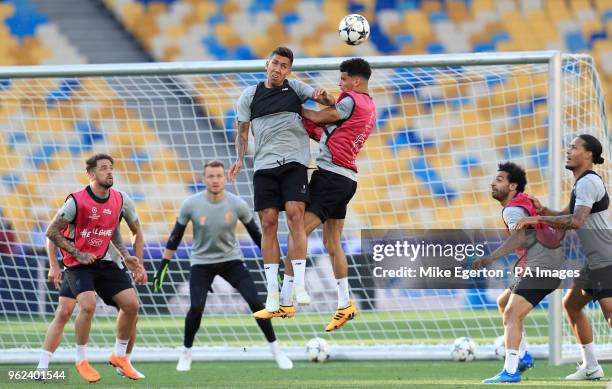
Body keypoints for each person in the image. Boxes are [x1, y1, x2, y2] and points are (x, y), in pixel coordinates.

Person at [255, 58, 376, 332]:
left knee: (298, 232)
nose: (340, 84)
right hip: (347, 179)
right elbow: (327, 131)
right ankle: (345, 305)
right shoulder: (369, 106)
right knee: (333, 243)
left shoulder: (352, 99)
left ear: (356, 81)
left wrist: (290, 105)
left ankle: (285, 301)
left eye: (343, 79)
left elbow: (323, 117)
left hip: (331, 177)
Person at [153, 160, 292, 371]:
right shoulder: (191, 204)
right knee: (196, 307)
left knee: (255, 301)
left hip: (231, 261)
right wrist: (163, 264)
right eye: (211, 176)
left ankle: (276, 349)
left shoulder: (237, 204)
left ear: (225, 178)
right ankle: (186, 352)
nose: (215, 180)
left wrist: (276, 264)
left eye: (219, 176)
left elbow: (257, 236)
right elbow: (175, 236)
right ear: (204, 179)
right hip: (202, 263)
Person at [228, 46, 335, 315]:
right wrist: (239, 158)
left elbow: (327, 102)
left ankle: (298, 284)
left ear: (289, 70)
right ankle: (272, 292)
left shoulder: (295, 88)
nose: (278, 69)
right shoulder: (249, 96)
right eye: (275, 63)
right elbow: (242, 132)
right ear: (267, 64)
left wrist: (325, 97)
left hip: (294, 163)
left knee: (296, 216)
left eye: (284, 65)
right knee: (268, 223)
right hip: (264, 166)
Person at [514, 134, 612, 381]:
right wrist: (542, 210)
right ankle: (591, 367)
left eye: (574, 147)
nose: (568, 151)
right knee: (571, 305)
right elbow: (564, 216)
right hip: (595, 262)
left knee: (610, 314)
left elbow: (576, 222)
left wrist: (535, 219)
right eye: (568, 147)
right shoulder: (581, 184)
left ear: (588, 154)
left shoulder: (588, 182)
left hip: (607, 260)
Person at [45, 153, 145, 382]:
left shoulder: (120, 199)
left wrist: (132, 259)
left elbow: (118, 233)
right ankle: (75, 360)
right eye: (103, 168)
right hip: (78, 263)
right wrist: (58, 263)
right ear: (90, 174)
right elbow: (51, 233)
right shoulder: (77, 201)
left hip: (108, 263)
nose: (109, 172)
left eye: (111, 168)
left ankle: (121, 358)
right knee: (72, 310)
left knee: (132, 307)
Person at [473, 162, 564, 383]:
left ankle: (511, 371)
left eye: (500, 179)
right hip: (543, 263)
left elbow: (520, 238)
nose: (492, 183)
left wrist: (490, 257)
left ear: (513, 186)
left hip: (542, 267)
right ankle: (522, 357)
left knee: (512, 314)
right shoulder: (521, 204)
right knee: (504, 303)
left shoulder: (512, 210)